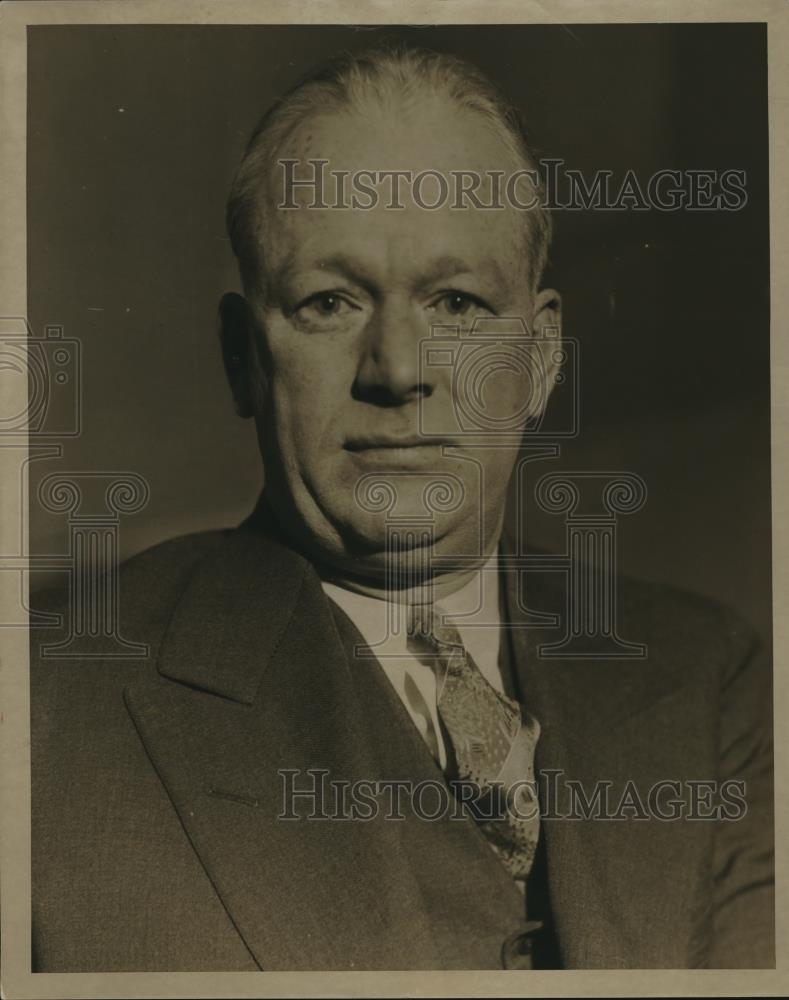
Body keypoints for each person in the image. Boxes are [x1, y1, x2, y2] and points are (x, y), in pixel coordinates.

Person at [30, 43, 773, 972]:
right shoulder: (47, 711)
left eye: (456, 304)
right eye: (329, 302)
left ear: (539, 358)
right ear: (240, 358)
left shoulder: (708, 681)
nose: (397, 370)